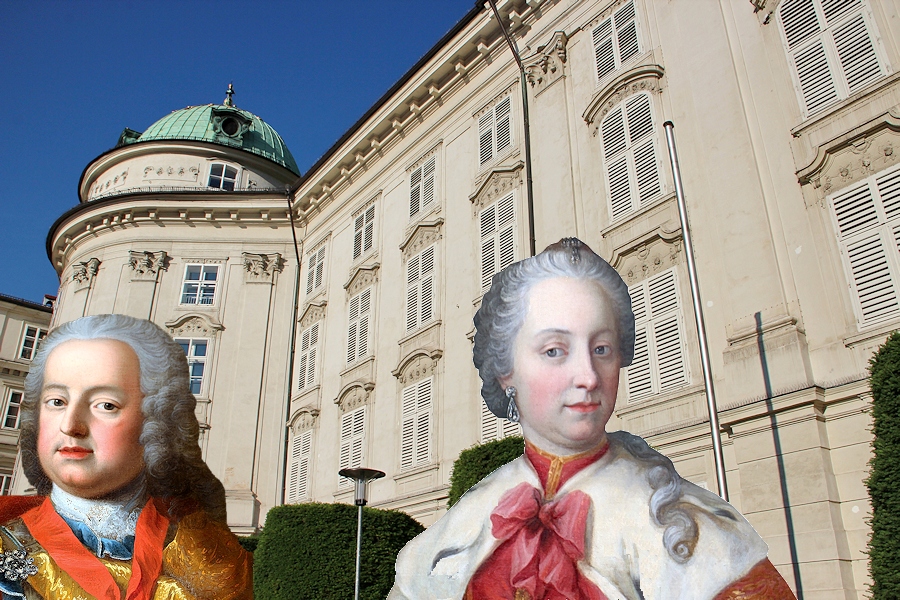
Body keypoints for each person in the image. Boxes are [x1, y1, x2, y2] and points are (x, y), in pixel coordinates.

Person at [390, 238, 795, 599]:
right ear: (506, 371)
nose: (587, 377)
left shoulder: (678, 521)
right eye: (554, 351)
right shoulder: (468, 518)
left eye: (602, 349)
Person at [0, 314, 252, 600]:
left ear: (155, 421)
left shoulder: (209, 556)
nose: (70, 425)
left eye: (105, 405)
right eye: (57, 402)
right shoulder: (7, 543)